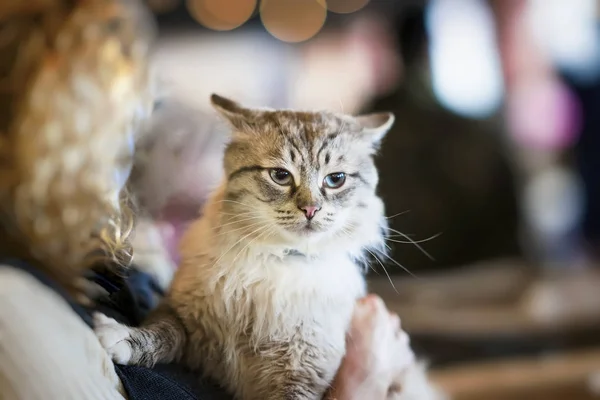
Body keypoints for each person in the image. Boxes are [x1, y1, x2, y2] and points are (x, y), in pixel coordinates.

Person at [0, 0, 433, 399]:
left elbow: (182, 324)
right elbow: (187, 327)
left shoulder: (91, 247)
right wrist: (361, 381)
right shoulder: (18, 300)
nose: (310, 204)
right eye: (118, 119)